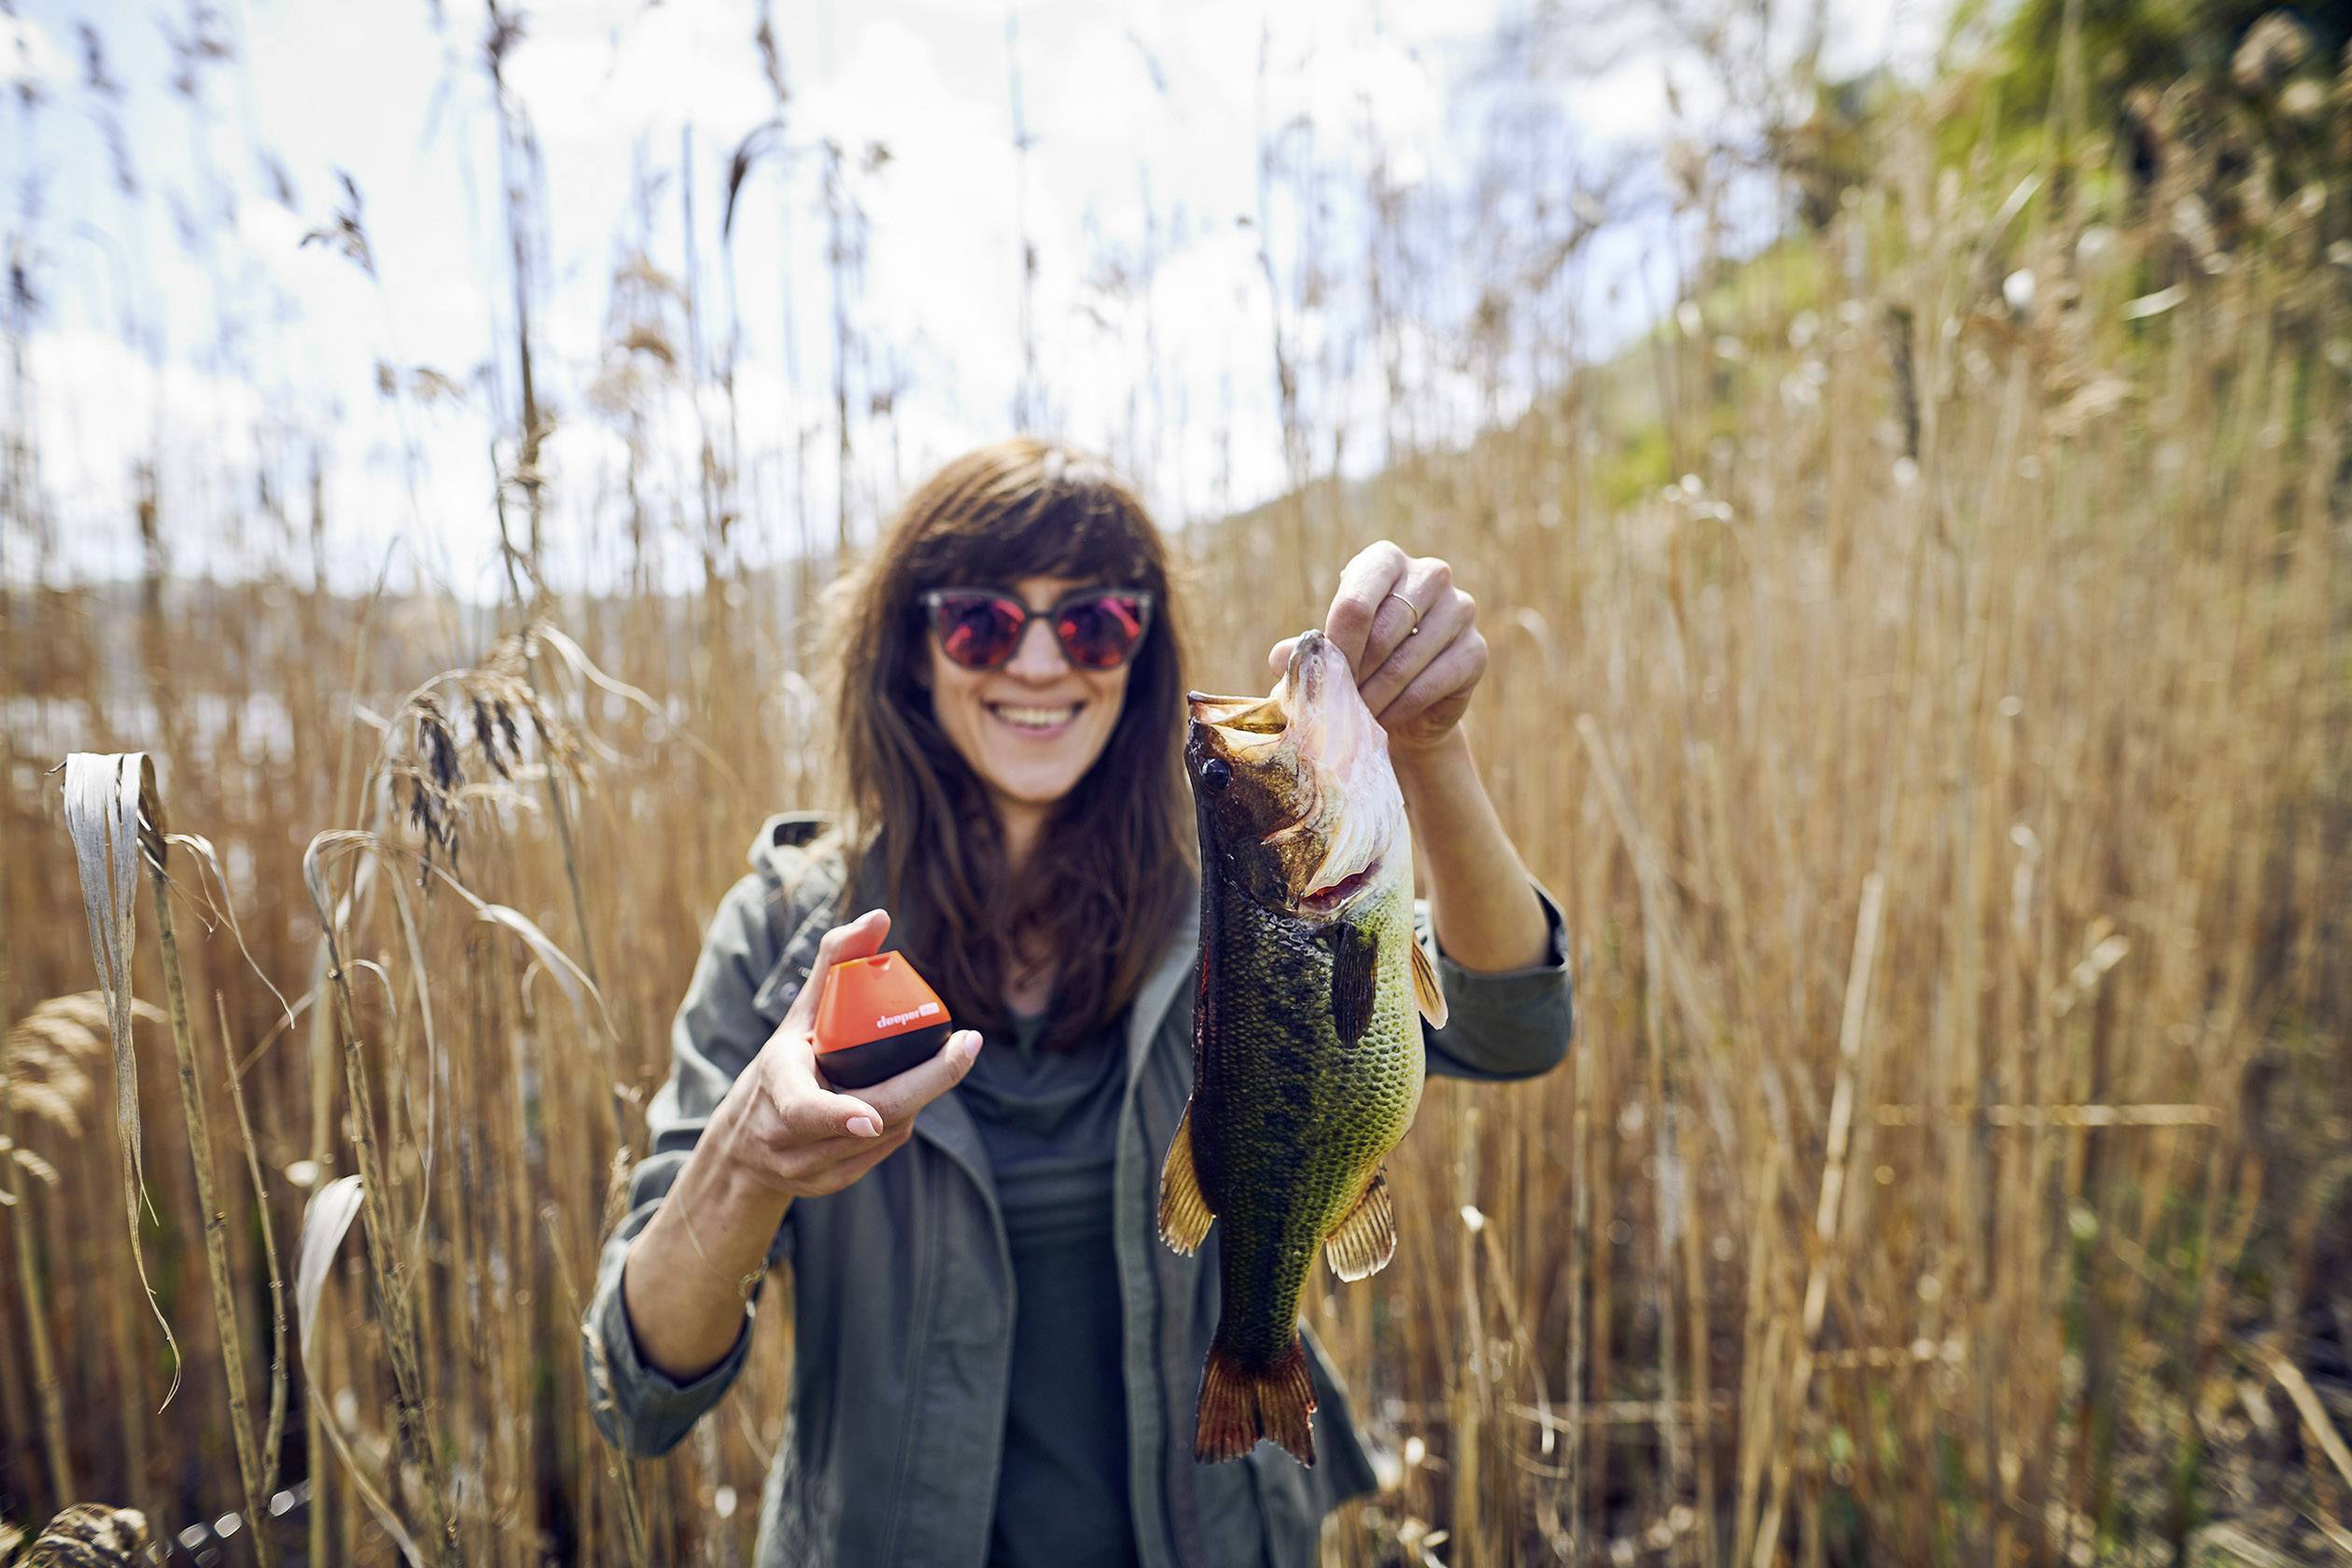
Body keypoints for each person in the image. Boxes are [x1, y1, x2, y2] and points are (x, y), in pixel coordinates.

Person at [582, 438, 1574, 1567]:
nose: (1046, 663)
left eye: (1096, 622)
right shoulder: (786, 939)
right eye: (984, 624)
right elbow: (637, 1391)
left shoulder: (1230, 895)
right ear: (911, 650)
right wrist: (745, 1164)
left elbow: (1513, 1026)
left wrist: (1430, 750)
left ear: (1141, 653)